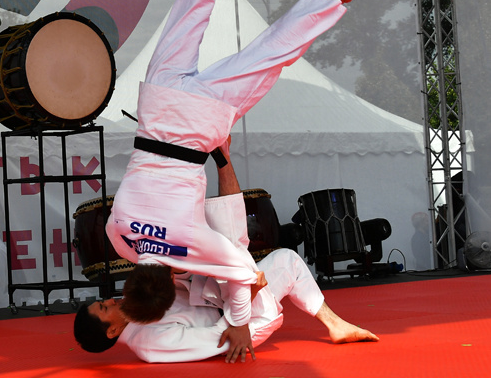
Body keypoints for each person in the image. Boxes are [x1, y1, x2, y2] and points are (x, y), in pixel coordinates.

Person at [105, 0, 356, 325]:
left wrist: (239, 325)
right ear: (130, 281)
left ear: (172, 285)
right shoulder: (120, 239)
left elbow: (242, 268)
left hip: (199, 125)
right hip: (158, 107)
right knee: (192, 4)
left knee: (268, 55)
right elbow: (146, 244)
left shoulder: (188, 247)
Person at [76, 138, 378, 364]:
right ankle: (223, 159)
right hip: (240, 327)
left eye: (102, 301)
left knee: (284, 258)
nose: (109, 300)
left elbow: (180, 285)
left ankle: (335, 324)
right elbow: (219, 338)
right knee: (233, 248)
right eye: (104, 308)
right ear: (112, 331)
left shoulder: (133, 286)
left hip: (219, 291)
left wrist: (179, 271)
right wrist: (245, 303)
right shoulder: (150, 345)